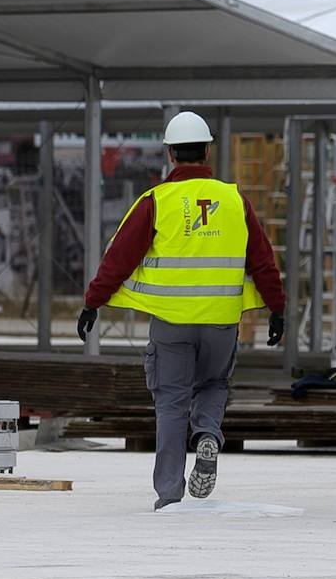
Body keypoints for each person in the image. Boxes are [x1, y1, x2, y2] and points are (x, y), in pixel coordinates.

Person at [76, 111, 285, 510]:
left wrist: (93, 302)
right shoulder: (234, 199)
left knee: (170, 402)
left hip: (171, 323)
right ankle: (207, 433)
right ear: (207, 150)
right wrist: (277, 310)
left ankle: (170, 495)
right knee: (214, 385)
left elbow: (117, 260)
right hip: (222, 321)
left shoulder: (156, 201)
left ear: (170, 153)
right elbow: (262, 262)